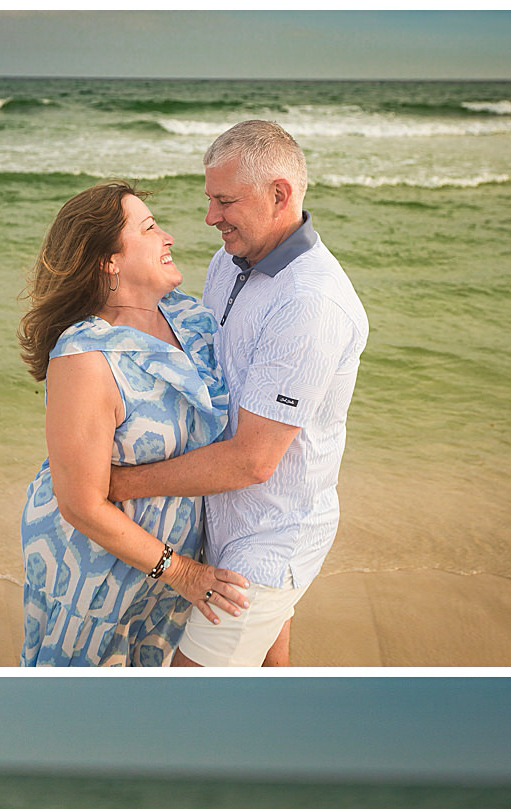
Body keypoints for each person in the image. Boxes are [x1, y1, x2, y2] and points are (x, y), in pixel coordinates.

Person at [108, 121, 370, 668]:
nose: (210, 218)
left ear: (280, 194)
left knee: (184, 711)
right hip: (219, 518)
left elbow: (254, 460)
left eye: (225, 200)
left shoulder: (310, 304)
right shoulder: (230, 260)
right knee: (264, 693)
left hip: (270, 539)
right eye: (210, 199)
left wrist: (120, 485)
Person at [19, 183, 253, 665]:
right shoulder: (85, 357)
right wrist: (183, 573)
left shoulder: (190, 319)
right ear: (109, 260)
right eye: (149, 228)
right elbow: (80, 504)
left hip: (172, 572)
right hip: (99, 574)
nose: (167, 236)